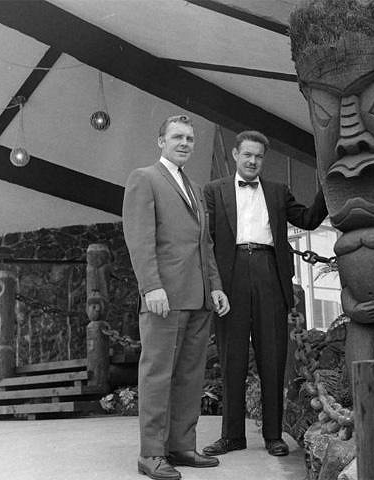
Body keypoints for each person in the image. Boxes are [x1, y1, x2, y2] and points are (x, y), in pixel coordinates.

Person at [203, 130, 327, 457]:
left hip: (270, 272)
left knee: (272, 357)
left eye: (258, 156)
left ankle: (274, 435)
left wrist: (328, 187)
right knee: (232, 358)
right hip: (230, 277)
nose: (252, 161)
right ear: (235, 154)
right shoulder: (214, 190)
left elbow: (308, 219)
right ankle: (232, 436)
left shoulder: (277, 191)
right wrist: (213, 285)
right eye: (247, 154)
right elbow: (205, 240)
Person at [123, 114, 230, 480]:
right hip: (163, 298)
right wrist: (151, 286)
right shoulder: (144, 178)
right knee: (157, 376)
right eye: (177, 137)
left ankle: (181, 446)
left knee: (189, 376)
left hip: (199, 298)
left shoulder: (195, 188)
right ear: (161, 142)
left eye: (189, 138)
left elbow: (205, 244)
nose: (184, 143)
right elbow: (139, 238)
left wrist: (215, 286)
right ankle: (151, 454)